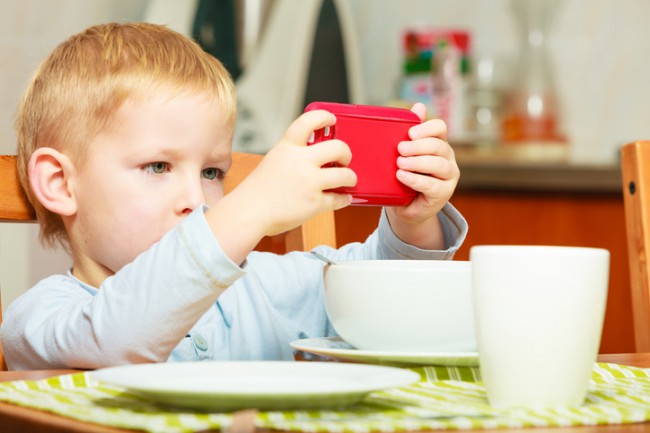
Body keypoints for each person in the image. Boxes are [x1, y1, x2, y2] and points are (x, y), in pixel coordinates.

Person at [0, 22, 467, 370]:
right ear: (61, 183)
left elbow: (377, 307)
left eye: (211, 172)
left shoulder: (258, 285)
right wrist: (252, 206)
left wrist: (413, 223)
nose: (194, 198)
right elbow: (119, 338)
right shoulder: (39, 319)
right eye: (158, 166)